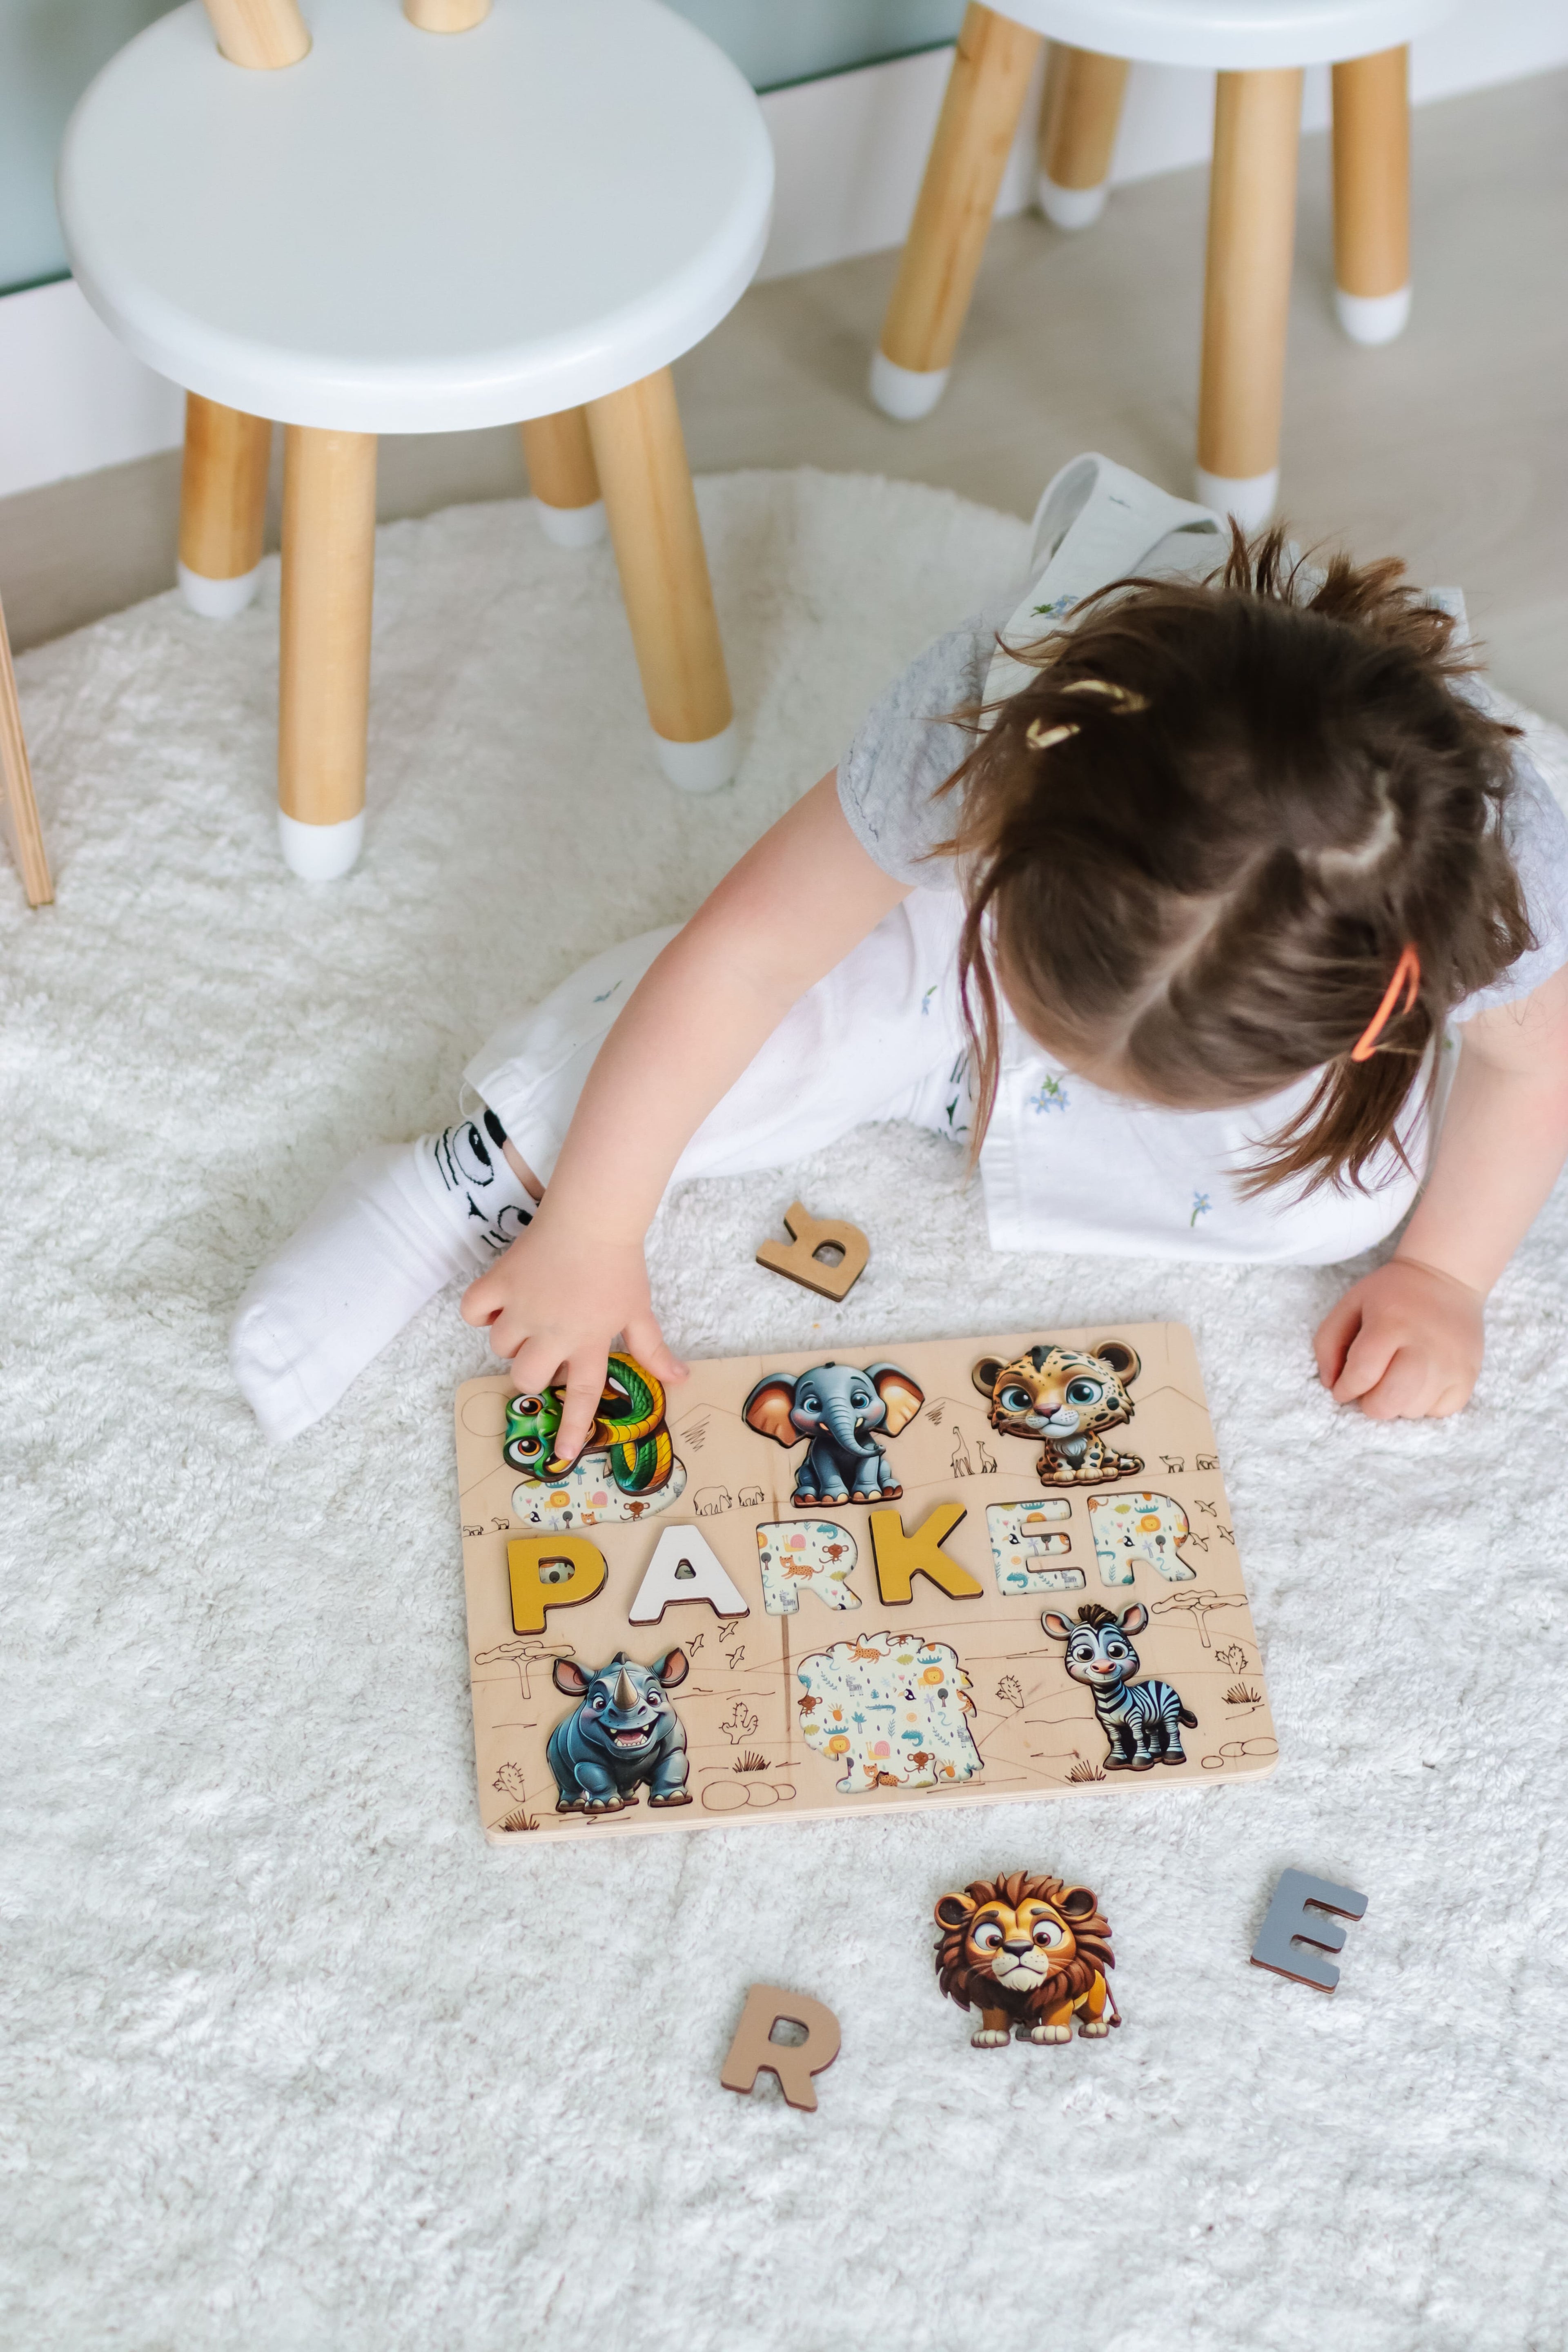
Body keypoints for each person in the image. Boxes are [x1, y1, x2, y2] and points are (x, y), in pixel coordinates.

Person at [230, 454, 1568, 1457]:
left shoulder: (1497, 872)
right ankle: (464, 1181)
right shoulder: (979, 723)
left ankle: (1158, 1093)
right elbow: (743, 958)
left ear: (1396, 994)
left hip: (1185, 1000)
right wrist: (590, 1225)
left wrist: (1444, 1276)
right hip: (949, 977)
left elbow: (1528, 1070)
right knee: (747, 1014)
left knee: (1353, 1201)